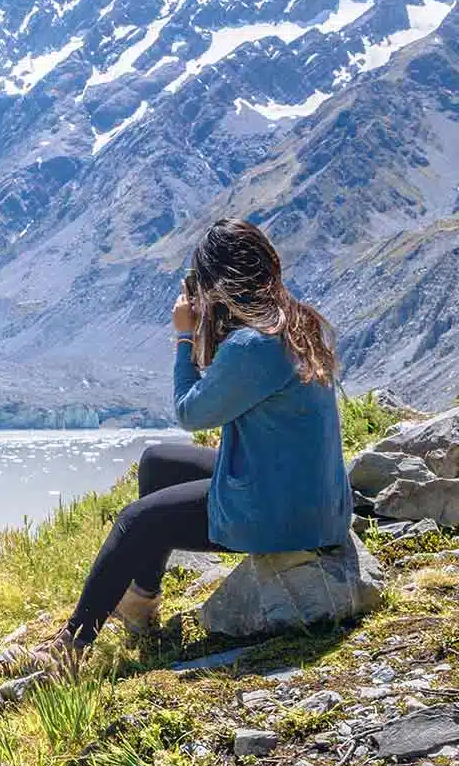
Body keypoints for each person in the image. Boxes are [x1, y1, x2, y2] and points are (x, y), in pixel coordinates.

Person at [24, 218, 353, 665]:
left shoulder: (252, 345)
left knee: (137, 522)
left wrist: (184, 335)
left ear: (216, 282)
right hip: (315, 504)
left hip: (279, 517)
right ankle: (141, 605)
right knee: (158, 463)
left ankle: (70, 649)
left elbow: (191, 411)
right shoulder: (296, 324)